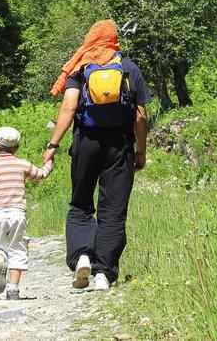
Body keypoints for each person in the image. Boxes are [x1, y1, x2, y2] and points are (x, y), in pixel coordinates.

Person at [43, 19, 151, 291]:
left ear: (91, 38)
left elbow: (68, 108)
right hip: (121, 144)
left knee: (81, 204)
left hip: (86, 142)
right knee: (113, 210)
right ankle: (104, 273)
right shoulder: (128, 68)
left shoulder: (81, 66)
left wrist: (53, 145)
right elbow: (141, 116)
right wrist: (141, 151)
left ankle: (82, 255)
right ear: (114, 39)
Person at [0, 126, 54, 300]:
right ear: (16, 148)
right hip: (17, 215)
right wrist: (49, 164)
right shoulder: (22, 164)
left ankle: (0, 262)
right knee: (18, 249)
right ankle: (13, 289)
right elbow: (40, 174)